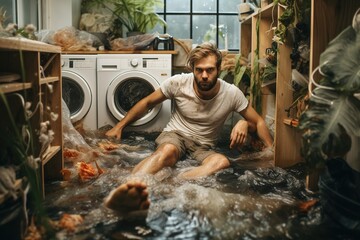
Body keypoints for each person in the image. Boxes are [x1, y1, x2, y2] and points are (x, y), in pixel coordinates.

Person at [105, 42, 273, 180]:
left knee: (221, 162)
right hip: (175, 135)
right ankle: (129, 184)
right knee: (167, 152)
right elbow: (147, 102)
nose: (204, 75)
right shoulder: (178, 83)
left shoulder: (231, 93)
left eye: (210, 70)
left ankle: (174, 181)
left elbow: (258, 121)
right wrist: (119, 126)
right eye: (199, 70)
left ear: (218, 69)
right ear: (192, 69)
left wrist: (270, 152)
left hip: (204, 146)